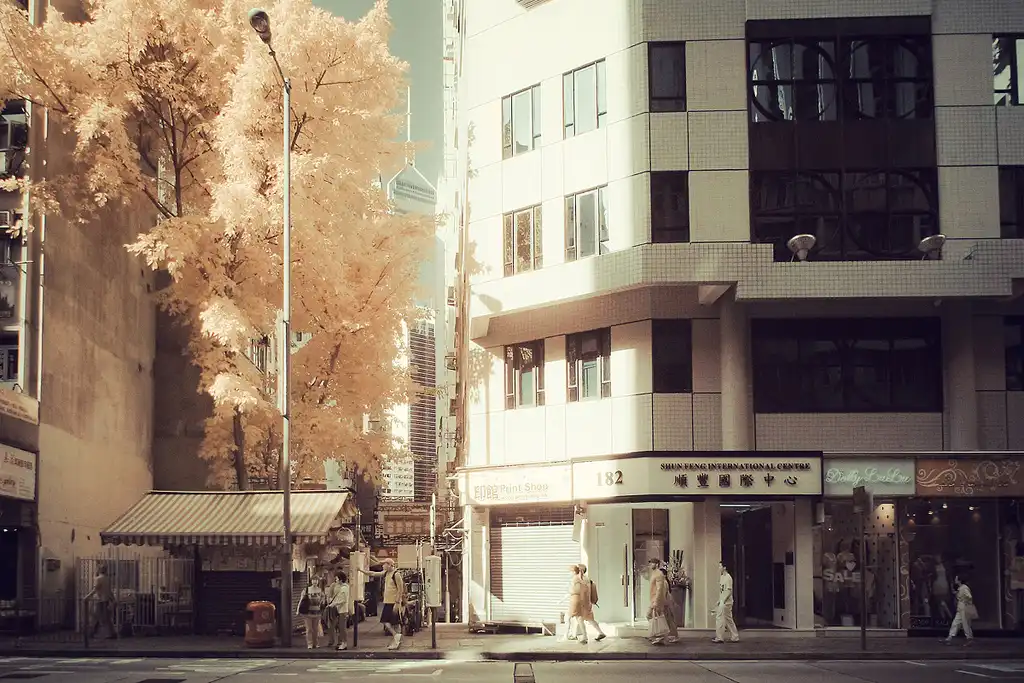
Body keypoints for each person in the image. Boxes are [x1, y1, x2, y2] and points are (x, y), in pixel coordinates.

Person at [355, 558, 406, 650]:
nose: (382, 566)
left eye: (384, 564)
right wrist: (361, 570)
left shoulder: (396, 574)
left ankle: (396, 638)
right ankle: (396, 638)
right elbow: (373, 574)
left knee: (389, 621)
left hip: (393, 602)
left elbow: (400, 589)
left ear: (389, 564)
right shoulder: (386, 573)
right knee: (390, 622)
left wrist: (397, 602)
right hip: (388, 601)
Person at [577, 564, 607, 642]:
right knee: (590, 619)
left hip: (583, 603)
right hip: (588, 603)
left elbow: (582, 592)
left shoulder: (582, 580)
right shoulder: (588, 579)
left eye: (578, 569)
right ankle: (601, 633)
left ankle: (585, 637)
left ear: (581, 570)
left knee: (580, 619)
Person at [84, 564, 115, 639]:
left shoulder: (98, 579)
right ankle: (112, 633)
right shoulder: (107, 579)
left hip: (99, 600)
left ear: (99, 570)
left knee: (95, 617)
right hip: (106, 600)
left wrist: (87, 596)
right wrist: (113, 599)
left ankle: (91, 633)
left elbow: (95, 589)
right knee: (106, 618)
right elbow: (109, 590)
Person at [296, 574, 326, 649]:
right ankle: (310, 643)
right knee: (309, 629)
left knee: (315, 629)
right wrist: (297, 609)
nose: (315, 581)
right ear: (311, 581)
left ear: (318, 581)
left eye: (316, 580)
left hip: (317, 612)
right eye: (313, 580)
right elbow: (301, 600)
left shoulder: (320, 590)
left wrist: (322, 603)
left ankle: (316, 643)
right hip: (307, 613)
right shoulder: (306, 590)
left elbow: (323, 600)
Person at [713, 561, 739, 643]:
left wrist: (722, 601)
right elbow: (722, 591)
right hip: (723, 601)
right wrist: (719, 600)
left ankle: (719, 637)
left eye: (720, 566)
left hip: (726, 602)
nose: (719, 568)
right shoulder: (722, 577)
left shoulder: (728, 578)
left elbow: (728, 591)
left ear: (724, 568)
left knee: (720, 619)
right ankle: (735, 636)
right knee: (728, 619)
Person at [325, 570, 351, 650]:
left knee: (342, 628)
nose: (335, 580)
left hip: (342, 610)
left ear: (340, 579)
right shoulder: (340, 586)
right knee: (340, 627)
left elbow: (343, 599)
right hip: (339, 610)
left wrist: (334, 604)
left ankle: (344, 643)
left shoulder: (344, 588)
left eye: (336, 578)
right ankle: (342, 643)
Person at [946, 576, 976, 644]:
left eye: (956, 579)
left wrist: (965, 602)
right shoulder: (961, 588)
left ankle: (969, 638)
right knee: (955, 623)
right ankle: (950, 637)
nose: (955, 580)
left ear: (959, 580)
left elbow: (969, 596)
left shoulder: (964, 588)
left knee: (966, 624)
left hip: (964, 608)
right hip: (960, 608)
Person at [647, 558, 670, 645]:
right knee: (655, 617)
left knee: (653, 616)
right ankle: (660, 636)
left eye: (652, 563)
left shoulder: (659, 574)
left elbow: (659, 589)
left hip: (657, 599)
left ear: (656, 564)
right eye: (650, 563)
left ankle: (660, 635)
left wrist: (656, 601)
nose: (650, 565)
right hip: (653, 599)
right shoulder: (654, 573)